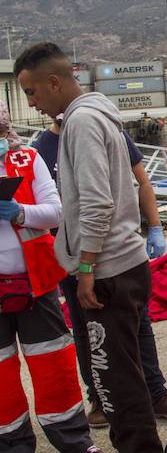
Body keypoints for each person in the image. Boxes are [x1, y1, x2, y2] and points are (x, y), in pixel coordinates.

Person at [14, 42, 163, 452]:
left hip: (107, 270)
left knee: (114, 379)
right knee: (123, 370)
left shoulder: (79, 123)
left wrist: (85, 269)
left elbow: (97, 201)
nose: (32, 101)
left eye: (32, 92)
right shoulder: (99, 116)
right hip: (123, 261)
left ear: (54, 82)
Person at [32, 119, 167, 428]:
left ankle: (155, 393)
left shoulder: (109, 132)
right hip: (73, 252)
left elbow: (143, 181)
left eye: (33, 92)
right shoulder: (43, 147)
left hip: (119, 246)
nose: (34, 102)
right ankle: (99, 398)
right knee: (85, 327)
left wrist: (156, 226)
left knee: (139, 320)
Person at [0, 102, 100, 453]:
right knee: (1, 380)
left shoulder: (27, 158)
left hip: (36, 283)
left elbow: (56, 210)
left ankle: (75, 441)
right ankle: (11, 445)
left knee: (54, 367)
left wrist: (20, 213)